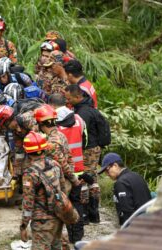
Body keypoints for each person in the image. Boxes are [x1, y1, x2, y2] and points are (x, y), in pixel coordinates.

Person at [49, 93, 93, 243]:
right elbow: (86, 142)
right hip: (79, 168)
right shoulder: (79, 119)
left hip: (61, 172)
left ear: (52, 106)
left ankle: (63, 237)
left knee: (61, 204)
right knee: (77, 203)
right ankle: (77, 237)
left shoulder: (52, 123)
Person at [64, 84, 102, 223]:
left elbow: (82, 135)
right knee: (93, 181)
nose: (67, 101)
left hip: (88, 151)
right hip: (94, 149)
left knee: (85, 181)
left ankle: (86, 215)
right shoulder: (89, 109)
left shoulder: (82, 113)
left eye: (69, 98)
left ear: (78, 97)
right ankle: (94, 214)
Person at [20, 131, 63, 249]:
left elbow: (28, 203)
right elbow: (62, 188)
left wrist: (23, 225)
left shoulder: (30, 173)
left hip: (42, 223)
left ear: (27, 152)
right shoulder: (55, 164)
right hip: (58, 216)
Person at [98, 153, 151, 225]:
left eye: (107, 170)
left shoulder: (121, 183)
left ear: (115, 165)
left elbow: (127, 210)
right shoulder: (136, 175)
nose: (107, 174)